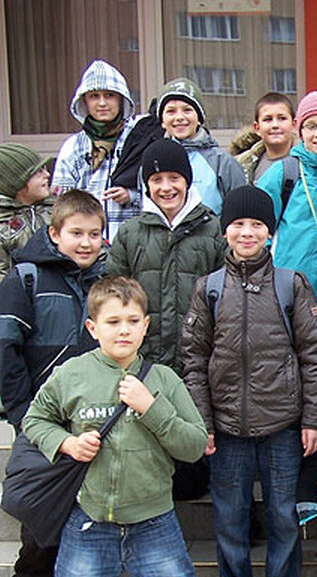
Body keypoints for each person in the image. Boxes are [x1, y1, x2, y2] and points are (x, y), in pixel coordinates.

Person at [19, 276, 268, 577]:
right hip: (90, 525)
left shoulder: (163, 379)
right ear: (92, 327)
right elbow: (35, 420)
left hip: (154, 526)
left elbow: (194, 445)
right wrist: (66, 443)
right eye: (112, 321)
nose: (124, 330)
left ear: (146, 325)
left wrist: (150, 406)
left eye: (133, 321)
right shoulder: (71, 374)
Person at [180, 185, 317, 577]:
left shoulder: (290, 284)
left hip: (283, 426)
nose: (247, 232)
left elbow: (314, 355)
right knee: (230, 519)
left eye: (257, 225)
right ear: (225, 230)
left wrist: (312, 418)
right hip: (226, 429)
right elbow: (193, 360)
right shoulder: (208, 288)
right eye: (239, 224)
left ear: (270, 232)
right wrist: (203, 423)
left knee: (284, 517)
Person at [0, 190, 105, 577]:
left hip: (94, 419)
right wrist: (22, 412)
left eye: (94, 234)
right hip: (43, 420)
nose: (86, 242)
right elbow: (2, 344)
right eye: (76, 233)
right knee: (40, 510)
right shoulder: (26, 278)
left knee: (90, 514)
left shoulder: (106, 282)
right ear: (54, 234)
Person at [106, 138, 224, 375]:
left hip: (199, 361)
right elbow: (113, 295)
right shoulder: (130, 233)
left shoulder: (213, 230)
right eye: (156, 180)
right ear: (146, 184)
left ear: (187, 181)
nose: (166, 188)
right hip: (142, 361)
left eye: (174, 178)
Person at [257, 89, 317, 318]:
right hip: (288, 298)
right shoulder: (284, 174)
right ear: (300, 131)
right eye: (311, 126)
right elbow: (258, 231)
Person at [52, 59, 144, 241]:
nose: (102, 103)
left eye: (109, 95)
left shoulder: (138, 140)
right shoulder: (73, 146)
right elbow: (59, 204)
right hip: (86, 246)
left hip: (132, 242)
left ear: (121, 99)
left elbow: (160, 194)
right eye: (94, 96)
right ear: (84, 101)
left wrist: (131, 196)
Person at [156, 77, 247, 216]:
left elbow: (240, 212)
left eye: (187, 110)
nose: (179, 117)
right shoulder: (153, 161)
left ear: (199, 118)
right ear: (162, 121)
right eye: (171, 111)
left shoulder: (223, 163)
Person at [0, 142, 54, 289]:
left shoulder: (58, 210)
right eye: (38, 172)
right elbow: (2, 286)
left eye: (44, 168)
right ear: (17, 183)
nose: (47, 174)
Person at [231, 93, 298, 183]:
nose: (275, 125)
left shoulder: (308, 162)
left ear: (293, 125)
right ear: (257, 128)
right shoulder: (243, 166)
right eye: (268, 119)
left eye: (282, 118)